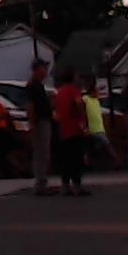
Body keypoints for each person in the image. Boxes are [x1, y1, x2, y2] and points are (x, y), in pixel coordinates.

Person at [52, 69, 89, 196]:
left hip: (63, 129)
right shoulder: (73, 91)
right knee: (76, 158)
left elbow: (56, 109)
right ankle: (77, 185)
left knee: (66, 159)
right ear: (73, 78)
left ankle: (65, 185)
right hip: (74, 129)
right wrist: (84, 122)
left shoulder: (59, 93)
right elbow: (79, 105)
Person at [23, 58, 55, 196]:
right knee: (41, 153)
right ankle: (40, 184)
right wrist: (33, 125)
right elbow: (30, 106)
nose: (46, 72)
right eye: (44, 69)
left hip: (44, 121)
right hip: (40, 122)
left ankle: (42, 182)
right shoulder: (33, 86)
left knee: (44, 153)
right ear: (37, 70)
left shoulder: (39, 86)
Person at [82, 83, 109, 185]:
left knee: (99, 147)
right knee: (106, 144)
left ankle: (97, 164)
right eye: (96, 92)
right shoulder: (86, 99)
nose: (98, 94)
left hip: (99, 128)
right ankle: (116, 161)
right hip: (93, 129)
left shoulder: (96, 101)